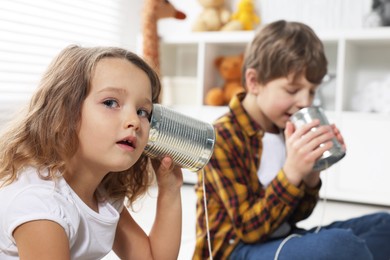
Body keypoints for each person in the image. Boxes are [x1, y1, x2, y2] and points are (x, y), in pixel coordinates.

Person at [193, 20, 390, 260]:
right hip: (237, 250)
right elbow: (249, 229)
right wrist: (292, 171)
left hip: (283, 238)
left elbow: (298, 216)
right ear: (254, 82)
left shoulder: (285, 128)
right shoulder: (220, 137)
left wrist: (311, 173)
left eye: (312, 91)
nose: (305, 102)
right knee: (343, 246)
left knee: (385, 224)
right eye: (291, 90)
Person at [0, 45, 183, 259]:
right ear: (63, 112)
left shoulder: (101, 194)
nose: (134, 121)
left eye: (142, 111)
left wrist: (170, 190)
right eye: (110, 102)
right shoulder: (41, 206)